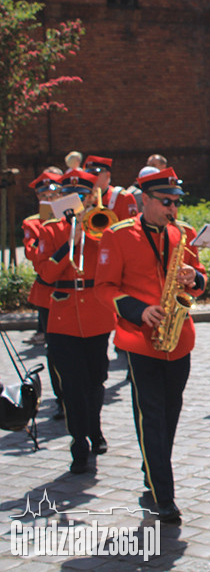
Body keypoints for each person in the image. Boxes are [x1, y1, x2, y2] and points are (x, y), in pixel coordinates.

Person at [95, 167, 207, 524]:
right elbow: (104, 288)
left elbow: (199, 276)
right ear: (145, 199)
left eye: (176, 202)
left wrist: (195, 278)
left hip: (179, 339)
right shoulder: (118, 235)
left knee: (169, 414)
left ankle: (152, 467)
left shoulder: (182, 233)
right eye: (165, 201)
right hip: (140, 339)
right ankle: (164, 493)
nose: (172, 208)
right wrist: (140, 310)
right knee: (152, 414)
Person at [35, 170, 117, 474]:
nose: (78, 201)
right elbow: (46, 274)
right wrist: (70, 242)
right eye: (72, 197)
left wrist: (92, 232)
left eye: (83, 196)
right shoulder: (51, 230)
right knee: (72, 384)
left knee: (96, 380)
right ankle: (78, 442)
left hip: (96, 314)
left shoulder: (103, 226)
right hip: (62, 317)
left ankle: (94, 429)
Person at [22, 172, 62, 347]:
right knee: (53, 342)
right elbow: (32, 253)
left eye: (53, 195)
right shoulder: (32, 223)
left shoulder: (69, 220)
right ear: (38, 197)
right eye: (44, 196)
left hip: (69, 285)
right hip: (47, 287)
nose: (49, 199)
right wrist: (46, 227)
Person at [83, 155, 137, 219]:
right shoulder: (82, 196)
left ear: (107, 175)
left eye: (95, 174)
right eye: (87, 174)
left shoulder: (123, 198)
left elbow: (131, 227)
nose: (90, 178)